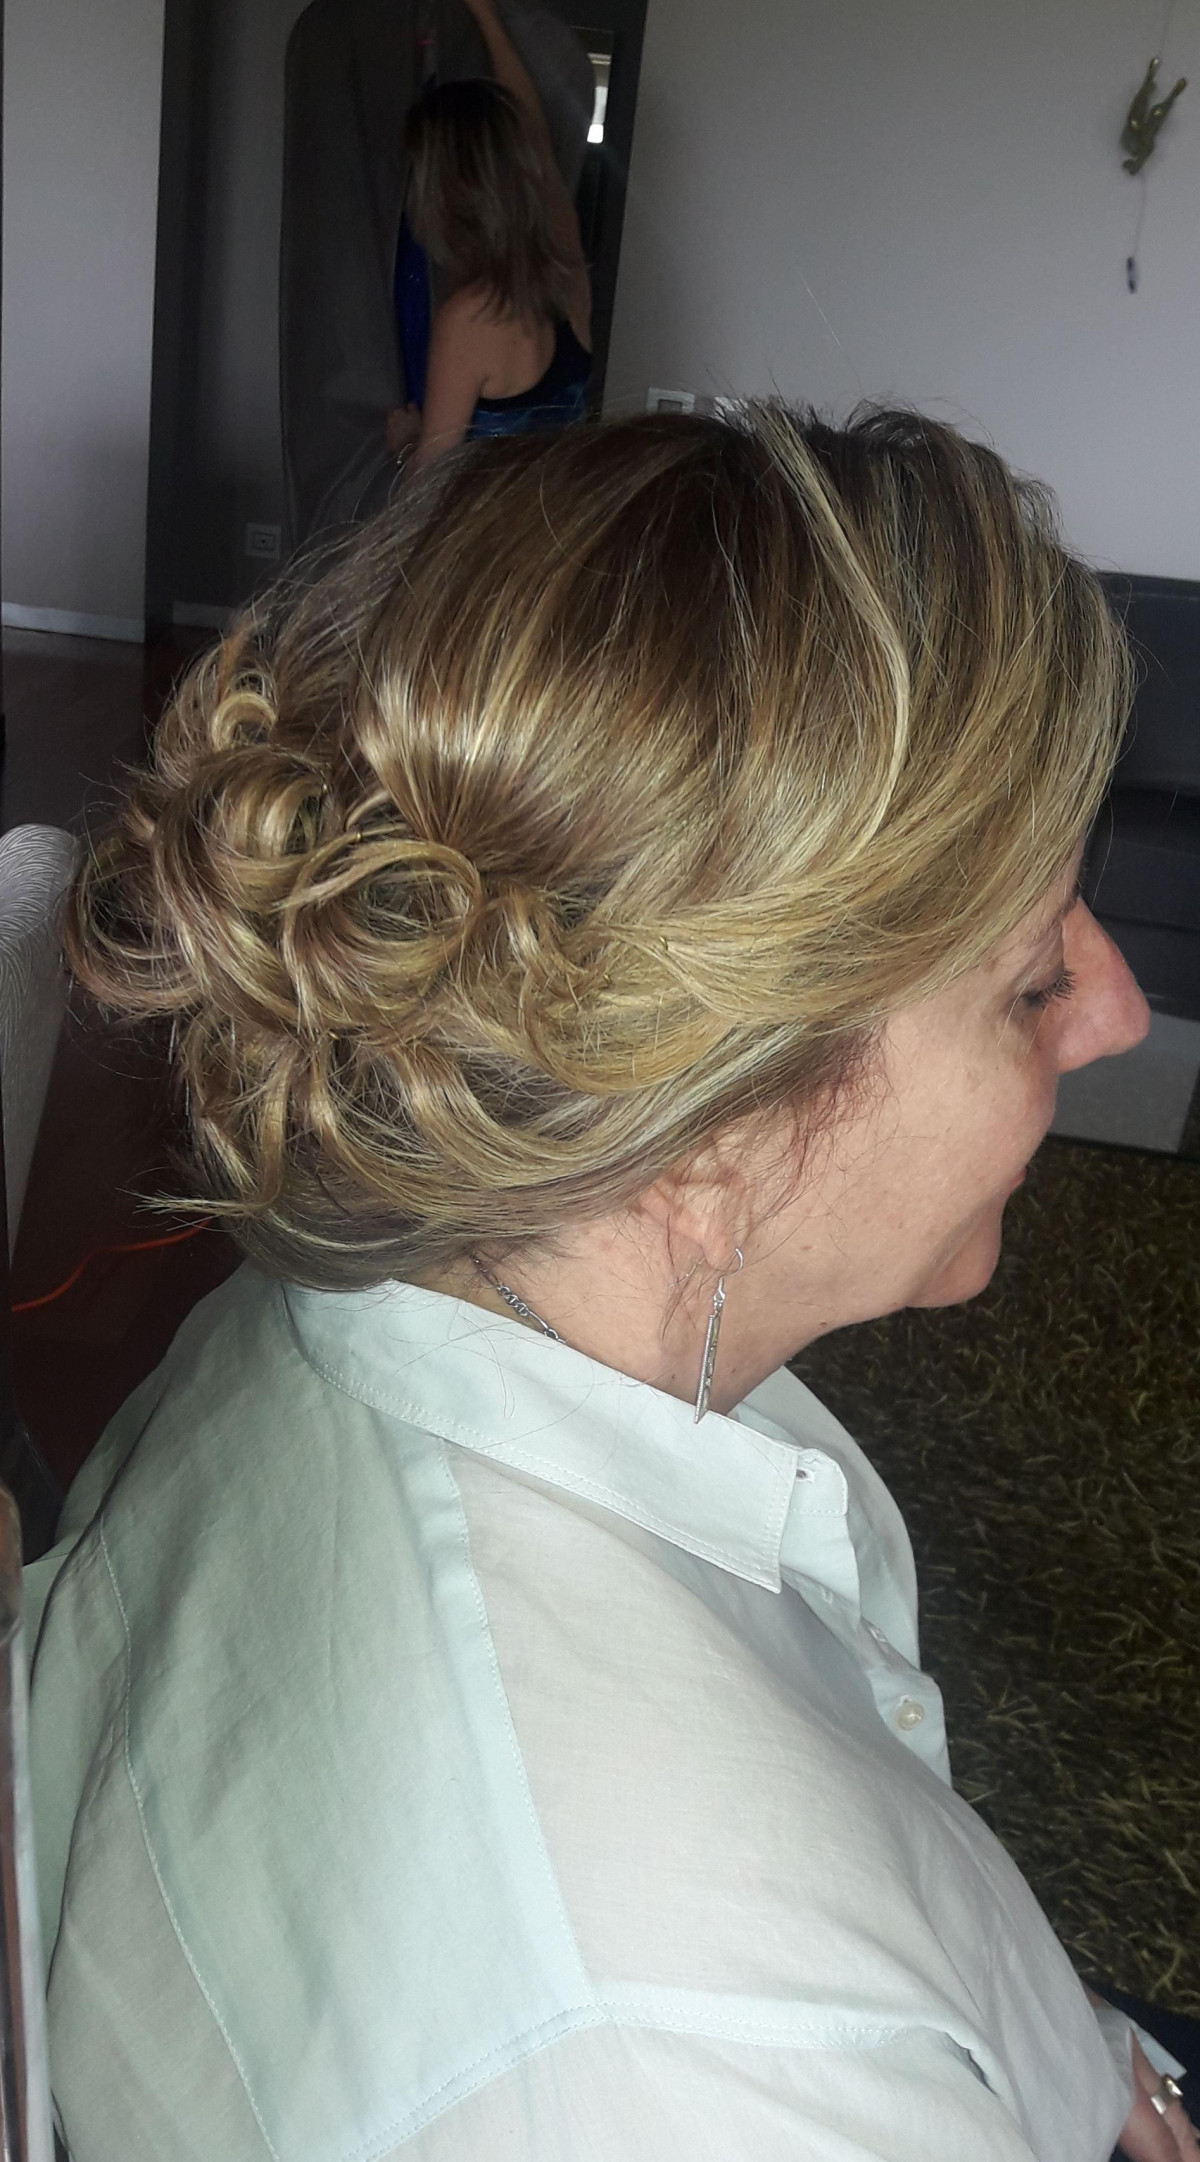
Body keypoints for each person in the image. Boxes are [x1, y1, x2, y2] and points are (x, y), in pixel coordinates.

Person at [25, 407, 1197, 2162]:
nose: (1116, 1013)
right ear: (709, 1133)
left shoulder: (354, 1299)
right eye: (1031, 984)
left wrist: (1077, 2047)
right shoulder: (691, 2074)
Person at [385, 0, 592, 473]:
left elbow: (431, 478)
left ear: (446, 194)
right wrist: (485, 17)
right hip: (571, 510)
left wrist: (405, 444)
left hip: (497, 523)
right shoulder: (568, 270)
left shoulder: (469, 318)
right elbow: (536, 137)